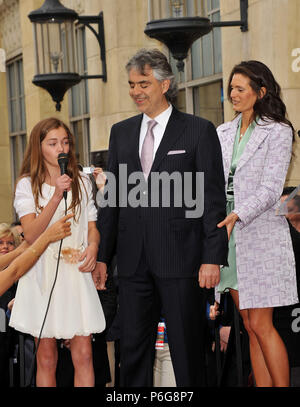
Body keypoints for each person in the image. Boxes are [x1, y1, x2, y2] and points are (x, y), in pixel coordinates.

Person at [94, 48, 228, 387]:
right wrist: (101, 258)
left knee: (187, 351)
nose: (136, 91)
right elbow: (112, 199)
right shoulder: (120, 132)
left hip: (182, 260)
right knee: (133, 352)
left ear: (165, 84)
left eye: (144, 84)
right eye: (131, 85)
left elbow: (211, 201)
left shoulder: (199, 130)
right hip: (133, 262)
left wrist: (212, 257)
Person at [213, 60, 298, 387]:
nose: (232, 94)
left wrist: (237, 214)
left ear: (260, 92)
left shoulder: (278, 130)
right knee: (247, 323)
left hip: (258, 234)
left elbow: (271, 188)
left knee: (262, 324)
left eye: (239, 89)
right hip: (228, 235)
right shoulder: (223, 132)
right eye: (230, 88)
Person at [9, 117, 106, 387]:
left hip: (75, 272)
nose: (61, 148)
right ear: (39, 147)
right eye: (53, 143)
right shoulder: (27, 185)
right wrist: (54, 197)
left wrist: (95, 247)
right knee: (46, 356)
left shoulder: (83, 183)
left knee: (84, 354)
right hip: (42, 273)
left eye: (65, 142)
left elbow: (92, 227)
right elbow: (30, 233)